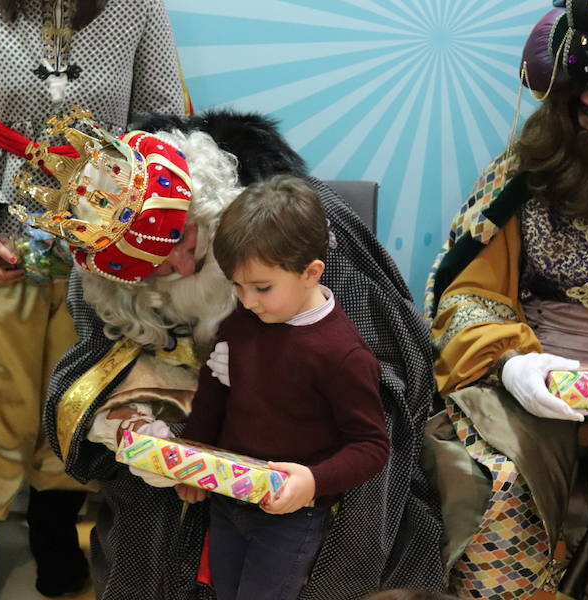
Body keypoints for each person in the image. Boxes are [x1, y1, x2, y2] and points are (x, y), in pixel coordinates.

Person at [38, 110, 444, 599]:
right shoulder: (101, 282)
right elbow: (95, 369)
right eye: (155, 266)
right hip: (197, 443)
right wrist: (135, 422)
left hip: (305, 441)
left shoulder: (296, 231)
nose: (181, 264)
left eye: (184, 240)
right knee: (147, 514)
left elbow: (391, 365)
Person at [0, 1, 188, 598]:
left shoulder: (137, 7)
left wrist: (132, 232)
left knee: (76, 391)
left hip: (101, 238)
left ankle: (55, 536)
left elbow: (164, 126)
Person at [423, 2, 588, 599]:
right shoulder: (526, 174)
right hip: (538, 375)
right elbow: (467, 289)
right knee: (492, 479)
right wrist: (512, 362)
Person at [172, 174, 390, 600]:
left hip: (289, 518)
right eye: (237, 286)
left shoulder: (342, 354)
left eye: (262, 288)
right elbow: (213, 394)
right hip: (227, 497)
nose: (247, 300)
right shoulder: (240, 323)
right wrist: (193, 456)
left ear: (311, 273)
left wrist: (313, 481)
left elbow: (371, 446)